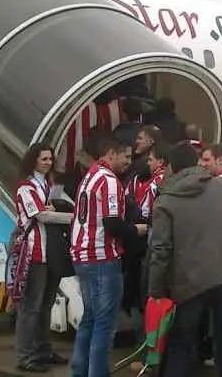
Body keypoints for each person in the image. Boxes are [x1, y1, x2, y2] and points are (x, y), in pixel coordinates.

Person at [148, 144, 222, 376]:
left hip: (189, 281)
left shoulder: (165, 202)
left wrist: (155, 291)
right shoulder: (219, 185)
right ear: (195, 163)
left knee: (181, 344)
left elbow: (160, 250)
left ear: (172, 167)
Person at [69, 136, 145, 377]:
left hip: (82, 255)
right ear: (112, 153)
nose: (128, 162)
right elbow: (112, 223)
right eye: (126, 156)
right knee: (104, 323)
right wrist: (136, 230)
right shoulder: (109, 181)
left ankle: (79, 371)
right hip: (101, 257)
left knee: (89, 318)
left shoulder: (89, 176)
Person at [13, 143, 74, 373]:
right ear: (34, 160)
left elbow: (51, 208)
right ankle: (25, 355)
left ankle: (43, 350)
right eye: (44, 159)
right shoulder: (25, 188)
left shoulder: (49, 185)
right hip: (34, 253)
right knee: (31, 306)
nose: (48, 163)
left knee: (46, 305)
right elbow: (41, 215)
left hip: (52, 252)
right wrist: (74, 217)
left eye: (50, 159)